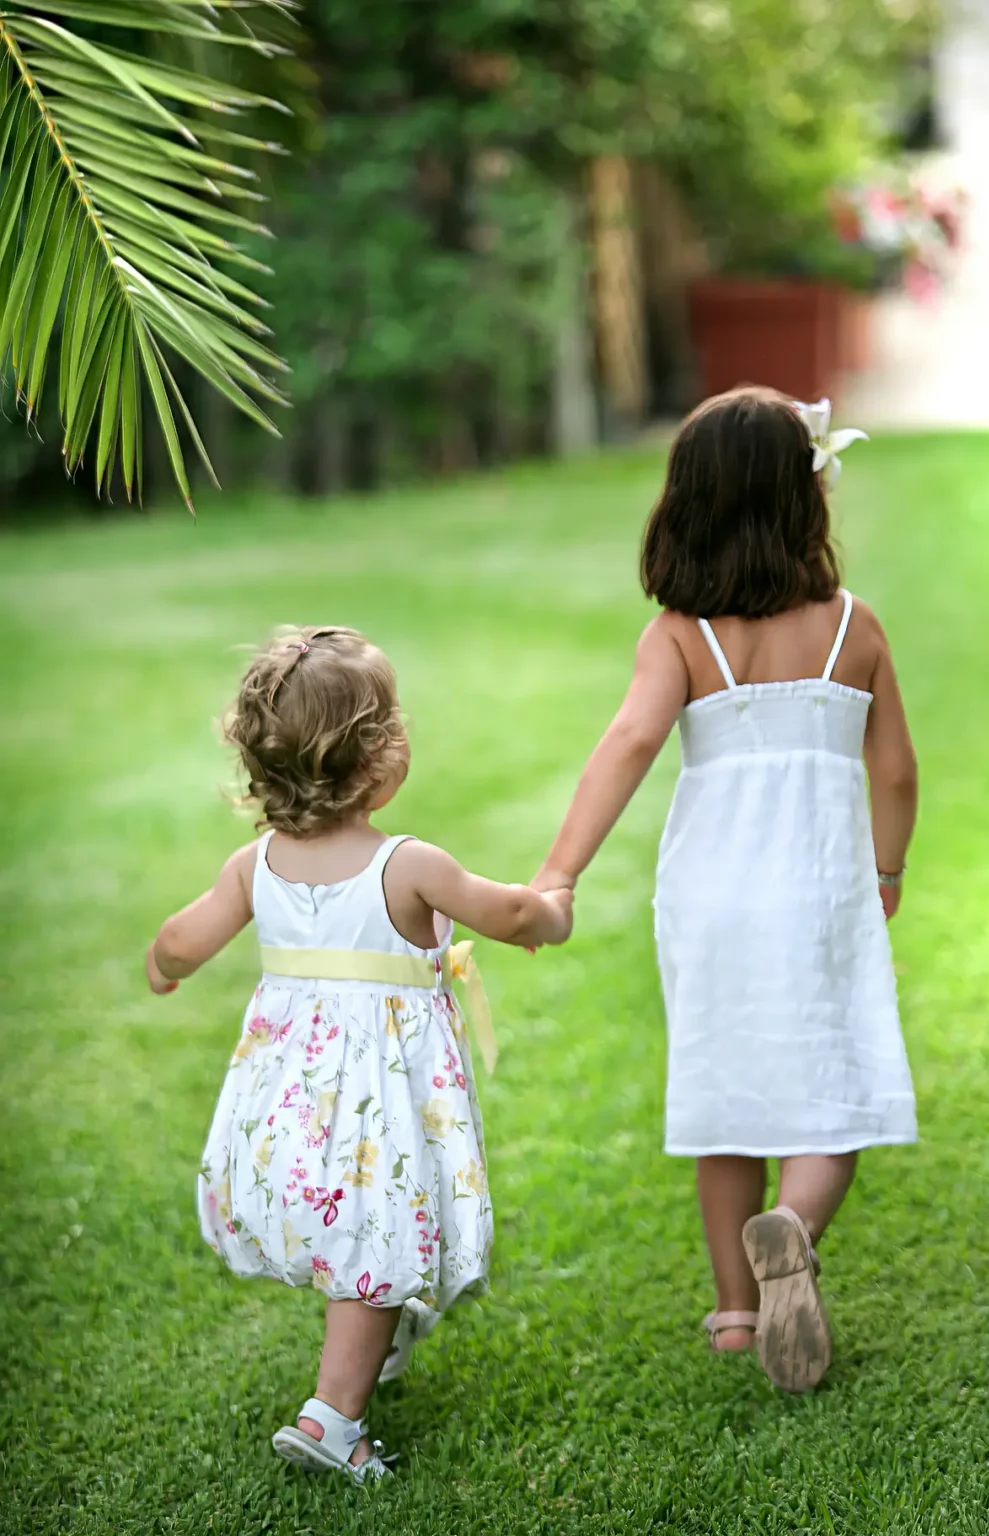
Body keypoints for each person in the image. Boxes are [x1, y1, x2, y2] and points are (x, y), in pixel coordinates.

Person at [532, 388, 918, 1393]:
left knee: (724, 1094)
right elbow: (894, 772)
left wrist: (558, 873)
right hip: (821, 893)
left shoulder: (679, 636)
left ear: (685, 507)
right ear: (806, 499)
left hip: (709, 901)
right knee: (828, 1094)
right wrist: (885, 870)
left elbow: (627, 744)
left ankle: (736, 1317)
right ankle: (792, 1225)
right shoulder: (853, 629)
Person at [146, 626, 572, 1483]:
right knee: (372, 1238)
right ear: (375, 756)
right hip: (376, 1113)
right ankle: (333, 1418)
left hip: (291, 1111)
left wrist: (164, 966)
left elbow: (180, 940)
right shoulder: (406, 866)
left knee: (362, 1232)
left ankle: (379, 1332)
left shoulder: (256, 865)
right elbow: (511, 914)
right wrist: (553, 908)